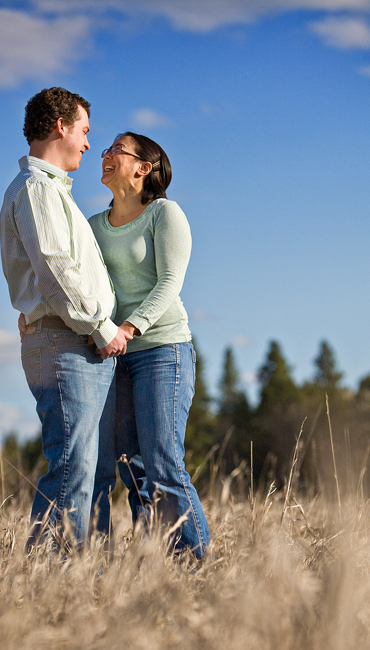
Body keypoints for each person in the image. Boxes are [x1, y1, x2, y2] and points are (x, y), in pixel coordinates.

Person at [0, 87, 131, 551]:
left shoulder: (51, 191)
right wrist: (101, 327)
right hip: (66, 342)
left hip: (75, 342)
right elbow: (56, 270)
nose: (88, 144)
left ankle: (81, 574)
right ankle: (47, 579)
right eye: (84, 131)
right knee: (72, 465)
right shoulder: (37, 190)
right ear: (60, 126)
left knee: (88, 467)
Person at [90, 132, 210, 559]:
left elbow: (169, 283)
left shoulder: (164, 213)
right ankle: (158, 561)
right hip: (115, 356)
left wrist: (129, 327)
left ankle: (195, 565)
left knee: (162, 464)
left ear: (144, 167)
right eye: (104, 149)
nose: (104, 155)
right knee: (131, 468)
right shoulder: (94, 227)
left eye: (115, 151)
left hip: (163, 350)